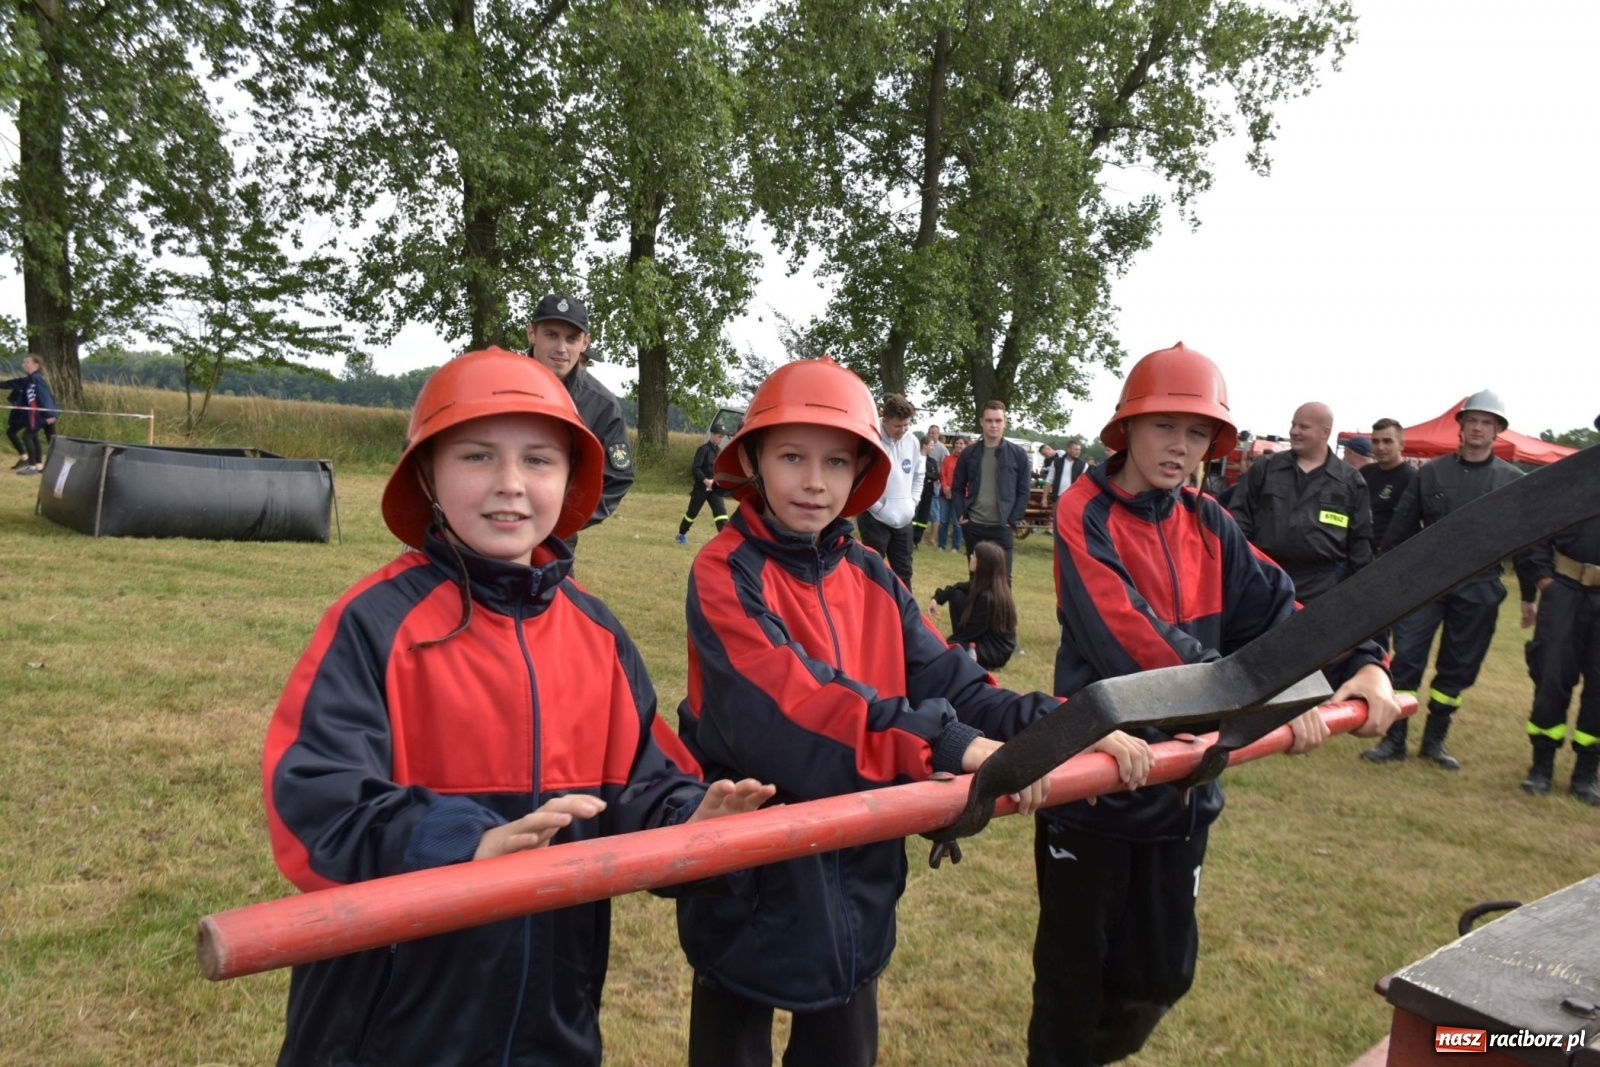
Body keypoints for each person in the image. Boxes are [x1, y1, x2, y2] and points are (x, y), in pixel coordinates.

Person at [262, 348, 774, 1067]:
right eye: (477, 456)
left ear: (569, 481)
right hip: (389, 1029)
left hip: (550, 1021)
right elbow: (313, 800)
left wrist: (689, 817)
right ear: (427, 474)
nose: (509, 485)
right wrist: (460, 843)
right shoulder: (375, 624)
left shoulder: (596, 634)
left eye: (538, 460)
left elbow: (641, 780)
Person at [674, 357, 1080, 1067]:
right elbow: (795, 704)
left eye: (836, 461)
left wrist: (1054, 724)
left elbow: (953, 679)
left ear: (862, 469)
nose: (814, 481)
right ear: (757, 459)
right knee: (731, 1038)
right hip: (752, 871)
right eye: (793, 457)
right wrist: (947, 744)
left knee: (844, 1041)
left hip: (858, 868)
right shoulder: (724, 570)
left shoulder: (871, 572)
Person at [1038, 341, 1398, 1067]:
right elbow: (1134, 645)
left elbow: (1283, 609)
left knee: (1164, 973)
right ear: (1126, 429)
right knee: (1073, 985)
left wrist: (1360, 664)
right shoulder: (1086, 512)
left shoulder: (1209, 521)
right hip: (1099, 788)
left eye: (1197, 432)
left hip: (1186, 787)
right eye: (1165, 426)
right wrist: (1264, 695)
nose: (1180, 447)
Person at [1363, 390, 1538, 769]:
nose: (1477, 427)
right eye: (1472, 420)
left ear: (1497, 431)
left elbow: (1525, 541)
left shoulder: (1512, 480)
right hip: (1425, 584)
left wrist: (1528, 592)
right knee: (1406, 661)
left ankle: (1434, 742)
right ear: (1460, 427)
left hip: (1480, 586)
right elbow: (1402, 526)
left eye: (1486, 423)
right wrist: (1382, 574)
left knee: (1459, 665)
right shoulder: (1433, 473)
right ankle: (1394, 741)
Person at [1228, 401, 1373, 602]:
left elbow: (1360, 542)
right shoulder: (1265, 469)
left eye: (1303, 427)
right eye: (1293, 424)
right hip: (1263, 578)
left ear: (1325, 432)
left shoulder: (1350, 481)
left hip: (1320, 588)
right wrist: (1246, 564)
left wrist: (1355, 590)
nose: (1294, 431)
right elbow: (1238, 519)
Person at [525, 293, 633, 546]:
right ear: (532, 333)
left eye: (572, 338)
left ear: (585, 342)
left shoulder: (602, 405)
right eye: (551, 335)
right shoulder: (495, 383)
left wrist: (561, 520)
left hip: (553, 541)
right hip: (485, 532)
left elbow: (618, 479)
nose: (561, 348)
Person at [1519, 512, 1600, 805]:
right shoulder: (1572, 480)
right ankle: (1541, 767)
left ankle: (1586, 774)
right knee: (1552, 677)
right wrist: (1544, 581)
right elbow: (1538, 533)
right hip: (1564, 590)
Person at [951, 400, 1032, 580]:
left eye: (998, 420)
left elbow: (1024, 491)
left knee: (1003, 580)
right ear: (981, 421)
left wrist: (1012, 521)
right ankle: (975, 609)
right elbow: (956, 487)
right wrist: (961, 515)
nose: (993, 425)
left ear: (1005, 422)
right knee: (976, 578)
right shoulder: (969, 453)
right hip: (974, 525)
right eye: (989, 420)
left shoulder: (1018, 454)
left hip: (1002, 526)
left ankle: (1001, 610)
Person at [855, 393, 923, 589]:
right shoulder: (869, 439)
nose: (902, 430)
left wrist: (912, 502)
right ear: (885, 421)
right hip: (874, 517)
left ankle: (904, 616)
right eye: (897, 426)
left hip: (904, 517)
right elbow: (858, 478)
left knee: (904, 571)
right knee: (873, 570)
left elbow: (919, 474)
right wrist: (878, 508)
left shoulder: (912, 441)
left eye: (906, 425)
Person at [926, 541, 1018, 670]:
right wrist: (937, 599)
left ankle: (963, 651)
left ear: (982, 564)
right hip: (980, 639)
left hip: (994, 651)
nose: (970, 557)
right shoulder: (985, 583)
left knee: (941, 652)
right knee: (958, 594)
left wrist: (946, 643)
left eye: (974, 556)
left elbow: (971, 632)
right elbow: (958, 587)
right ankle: (959, 648)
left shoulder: (988, 598)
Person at [1361, 418, 1417, 548]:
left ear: (1401, 445)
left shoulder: (1411, 478)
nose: (1380, 447)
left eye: (1387, 441)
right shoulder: (1364, 473)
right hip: (1361, 553)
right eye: (1375, 441)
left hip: (1392, 556)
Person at [3, 354, 58, 475]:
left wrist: (50, 414)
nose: (24, 364)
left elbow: (45, 396)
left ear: (36, 365)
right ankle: (39, 466)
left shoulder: (37, 378)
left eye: (27, 362)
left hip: (41, 414)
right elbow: (9, 385)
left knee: (29, 437)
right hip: (39, 414)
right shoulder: (30, 378)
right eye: (23, 362)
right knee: (51, 440)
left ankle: (33, 467)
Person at [678, 423, 730, 545]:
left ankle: (725, 540)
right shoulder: (703, 450)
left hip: (714, 489)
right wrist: (705, 481)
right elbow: (695, 469)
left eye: (722, 437)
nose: (720, 439)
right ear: (712, 435)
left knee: (721, 514)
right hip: (701, 488)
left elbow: (720, 469)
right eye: (719, 436)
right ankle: (681, 534)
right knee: (692, 513)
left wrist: (717, 481)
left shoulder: (720, 452)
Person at [936, 435, 967, 552]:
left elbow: (966, 478)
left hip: (959, 494)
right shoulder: (947, 459)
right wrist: (945, 487)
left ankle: (955, 546)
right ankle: (941, 545)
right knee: (943, 520)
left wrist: (954, 490)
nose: (958, 445)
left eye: (961, 444)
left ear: (965, 445)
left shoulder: (967, 461)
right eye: (957, 443)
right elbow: (942, 473)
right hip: (945, 493)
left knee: (957, 522)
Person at [922, 424, 949, 546]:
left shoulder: (942, 449)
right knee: (921, 511)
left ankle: (933, 538)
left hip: (935, 483)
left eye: (934, 433)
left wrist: (940, 479)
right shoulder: (923, 445)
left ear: (939, 434)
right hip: (922, 482)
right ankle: (919, 536)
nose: (932, 434)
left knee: (934, 511)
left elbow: (946, 465)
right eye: (930, 432)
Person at [912, 433, 939, 545]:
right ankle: (910, 537)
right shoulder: (915, 458)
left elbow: (936, 475)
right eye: (931, 445)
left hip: (927, 491)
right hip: (915, 490)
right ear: (924, 445)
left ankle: (917, 539)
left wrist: (925, 474)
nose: (933, 448)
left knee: (923, 516)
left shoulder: (932, 461)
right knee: (914, 514)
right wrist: (928, 475)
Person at [1045, 440, 1087, 506]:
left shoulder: (1083, 465)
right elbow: (1049, 480)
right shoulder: (1056, 462)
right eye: (1075, 449)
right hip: (1057, 497)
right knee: (1056, 516)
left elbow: (1085, 484)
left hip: (1074, 499)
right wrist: (1044, 498)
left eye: (1079, 450)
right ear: (1068, 449)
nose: (1078, 452)